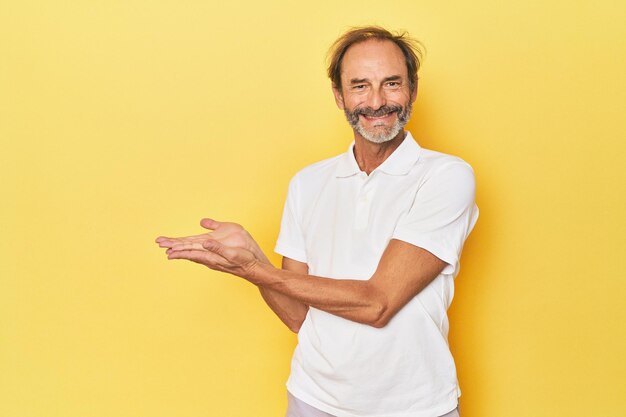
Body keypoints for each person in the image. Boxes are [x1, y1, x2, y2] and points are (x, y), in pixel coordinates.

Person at [156, 26, 478, 417]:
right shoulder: (308, 183)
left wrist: (256, 270)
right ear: (339, 96)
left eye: (391, 83)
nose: (376, 101)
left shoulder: (445, 176)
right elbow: (297, 316)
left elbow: (378, 303)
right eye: (359, 86)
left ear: (412, 89)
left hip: (415, 405)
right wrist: (248, 258)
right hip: (313, 401)